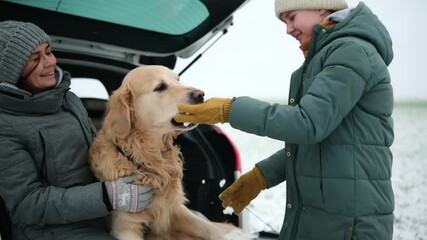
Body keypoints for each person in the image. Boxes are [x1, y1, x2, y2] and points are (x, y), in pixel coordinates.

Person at [174, 0, 394, 239]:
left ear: (320, 6)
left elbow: (307, 124)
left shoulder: (351, 52)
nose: (288, 29)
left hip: (349, 224)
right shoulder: (327, 56)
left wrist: (228, 110)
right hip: (329, 216)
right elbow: (320, 142)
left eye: (291, 17)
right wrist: (263, 175)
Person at [0, 20, 153, 240]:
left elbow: (99, 150)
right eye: (35, 58)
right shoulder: (4, 127)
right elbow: (28, 204)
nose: (50, 62)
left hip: (105, 215)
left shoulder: (68, 99)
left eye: (49, 51)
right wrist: (109, 196)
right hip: (53, 231)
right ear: (11, 72)